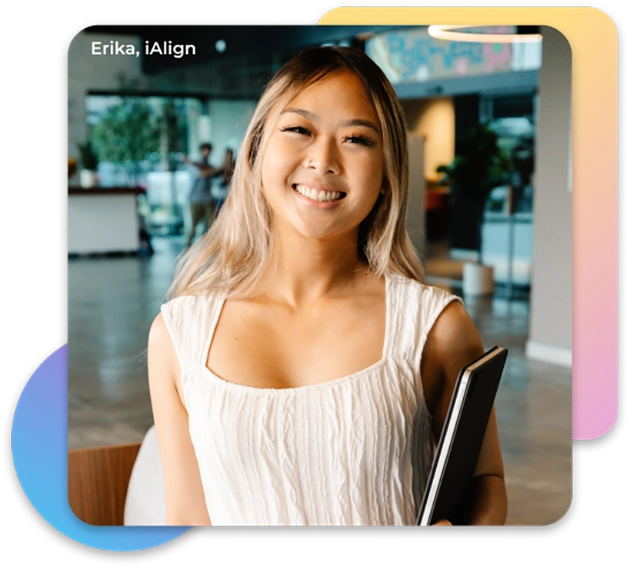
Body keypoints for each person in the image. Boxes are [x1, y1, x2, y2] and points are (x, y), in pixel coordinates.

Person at [148, 46, 507, 527]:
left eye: (357, 139)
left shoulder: (435, 326)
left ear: (386, 174)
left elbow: (486, 482)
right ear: (255, 150)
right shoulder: (178, 334)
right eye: (299, 129)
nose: (323, 160)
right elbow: (187, 519)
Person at [183, 143, 224, 247]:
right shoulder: (194, 165)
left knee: (212, 223)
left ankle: (211, 244)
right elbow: (203, 173)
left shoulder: (208, 165)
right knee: (194, 224)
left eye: (209, 150)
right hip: (195, 199)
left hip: (207, 198)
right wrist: (221, 167)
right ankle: (188, 244)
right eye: (205, 150)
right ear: (201, 151)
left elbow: (216, 177)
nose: (207, 153)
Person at [211, 148, 235, 213]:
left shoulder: (235, 166)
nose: (229, 158)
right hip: (219, 195)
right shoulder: (220, 166)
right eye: (228, 156)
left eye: (230, 156)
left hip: (230, 195)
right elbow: (213, 176)